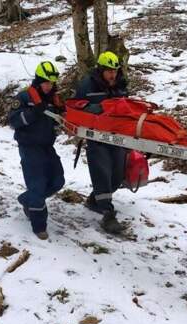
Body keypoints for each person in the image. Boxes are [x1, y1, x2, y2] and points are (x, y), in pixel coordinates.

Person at [8, 61, 65, 240]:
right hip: (29, 147)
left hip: (47, 146)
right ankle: (39, 225)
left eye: (52, 83)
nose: (49, 86)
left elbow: (57, 121)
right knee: (38, 185)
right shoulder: (24, 97)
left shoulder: (53, 99)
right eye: (46, 82)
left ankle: (27, 199)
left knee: (58, 181)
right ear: (39, 81)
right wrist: (33, 113)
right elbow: (13, 121)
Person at [74, 51, 128, 234]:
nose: (113, 75)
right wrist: (98, 108)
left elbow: (126, 107)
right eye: (109, 71)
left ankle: (94, 200)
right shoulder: (87, 84)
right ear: (101, 70)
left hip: (118, 135)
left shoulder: (121, 84)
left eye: (115, 71)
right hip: (97, 137)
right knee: (102, 172)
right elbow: (76, 105)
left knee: (118, 175)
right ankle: (107, 213)